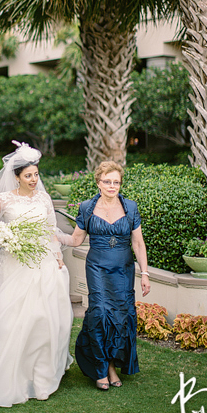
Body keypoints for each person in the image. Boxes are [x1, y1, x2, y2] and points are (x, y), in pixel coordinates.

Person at [0, 141, 74, 407]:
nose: (33, 180)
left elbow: (50, 229)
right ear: (16, 176)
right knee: (9, 321)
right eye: (28, 175)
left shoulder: (44, 198)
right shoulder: (3, 199)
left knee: (46, 321)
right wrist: (2, 234)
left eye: (36, 174)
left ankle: (39, 377)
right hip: (12, 265)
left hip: (42, 263)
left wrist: (57, 256)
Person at [69, 161, 151, 390]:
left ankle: (112, 365)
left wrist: (144, 273)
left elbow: (138, 243)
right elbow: (76, 240)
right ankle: (102, 367)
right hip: (97, 268)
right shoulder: (86, 207)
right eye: (107, 181)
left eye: (116, 182)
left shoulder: (130, 207)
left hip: (123, 269)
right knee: (100, 314)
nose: (112, 186)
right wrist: (53, 236)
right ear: (98, 182)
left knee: (121, 316)